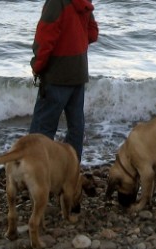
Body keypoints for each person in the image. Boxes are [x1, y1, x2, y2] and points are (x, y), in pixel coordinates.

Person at [29, 0, 99, 161]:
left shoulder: (56, 2)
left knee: (42, 128)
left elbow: (45, 39)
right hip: (79, 70)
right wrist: (75, 41)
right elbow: (92, 34)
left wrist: (37, 66)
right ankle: (71, 172)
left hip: (57, 73)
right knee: (76, 126)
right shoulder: (83, 2)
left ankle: (35, 168)